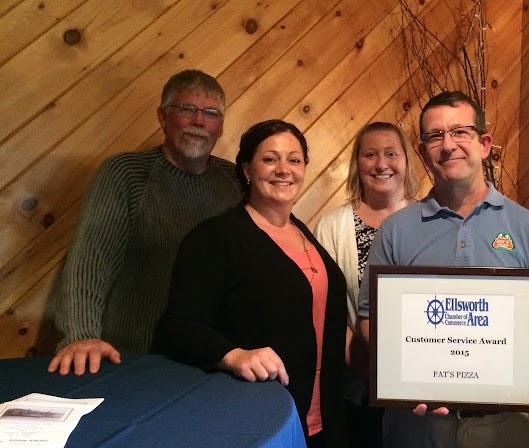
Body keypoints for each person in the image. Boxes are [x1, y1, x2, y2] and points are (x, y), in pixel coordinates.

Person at [356, 91, 529, 448]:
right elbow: (368, 322)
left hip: (508, 426)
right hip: (416, 425)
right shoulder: (396, 230)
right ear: (424, 150)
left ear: (484, 144)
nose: (448, 145)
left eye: (460, 132)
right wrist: (410, 374)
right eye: (435, 136)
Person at [156, 119, 347, 448]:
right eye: (270, 159)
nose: (283, 169)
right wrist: (232, 354)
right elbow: (179, 326)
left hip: (322, 417)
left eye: (294, 159)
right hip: (256, 418)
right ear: (247, 169)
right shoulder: (215, 237)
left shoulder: (305, 233)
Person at [47, 69, 241, 376]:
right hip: (135, 359)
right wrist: (82, 335)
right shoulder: (126, 174)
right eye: (186, 109)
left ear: (220, 127)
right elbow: (91, 261)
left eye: (211, 113)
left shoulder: (235, 181)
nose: (199, 121)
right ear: (163, 117)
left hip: (216, 361)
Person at [314, 121, 421, 447]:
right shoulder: (333, 227)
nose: (381, 164)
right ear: (357, 164)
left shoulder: (429, 221)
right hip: (358, 389)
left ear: (406, 161)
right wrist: (372, 373)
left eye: (391, 153)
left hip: (421, 389)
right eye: (370, 154)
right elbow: (327, 310)